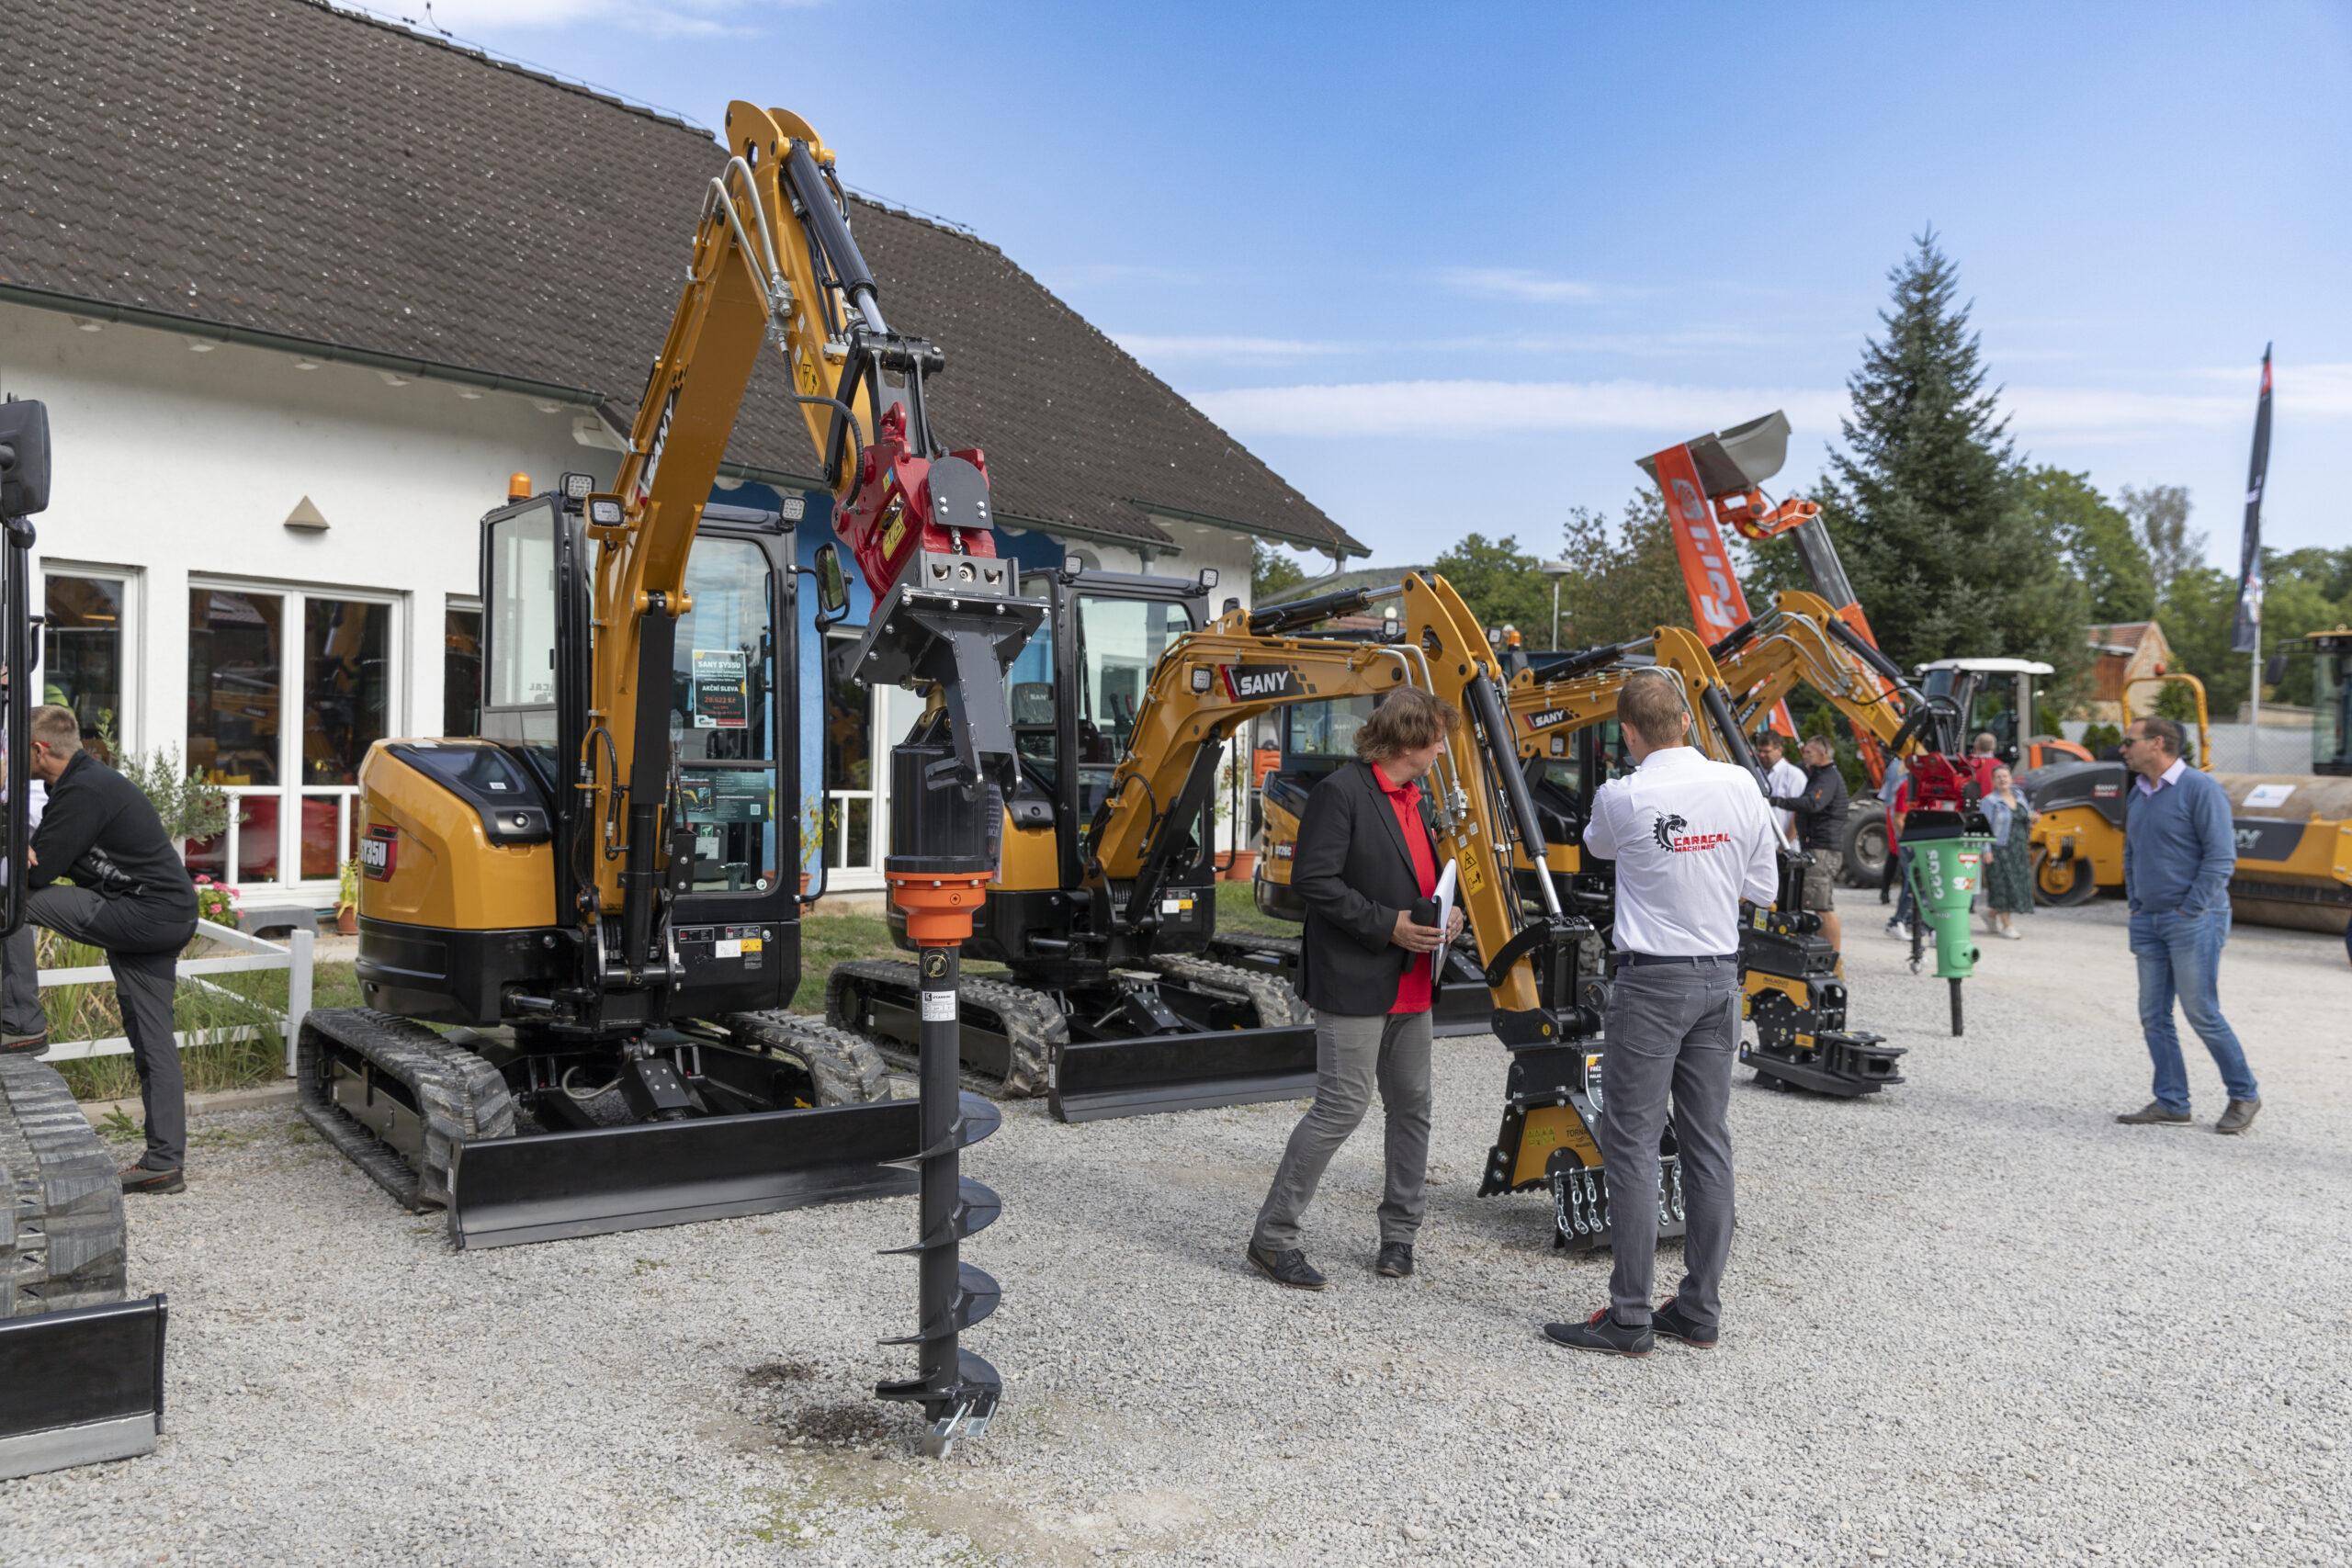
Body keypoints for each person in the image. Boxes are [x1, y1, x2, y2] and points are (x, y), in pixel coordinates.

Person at [1544, 671, 1779, 1356]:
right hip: (1719, 977)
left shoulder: (1623, 795)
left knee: (1633, 1145)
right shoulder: (1741, 785)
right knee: (1708, 1143)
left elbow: (1598, 846)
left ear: (1628, 732)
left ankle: (1629, 1316)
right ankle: (1699, 1309)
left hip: (1651, 983)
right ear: (1685, 721)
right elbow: (1762, 886)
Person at [1249, 688, 1463, 1289]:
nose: (1442, 750)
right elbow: (1314, 880)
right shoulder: (1341, 793)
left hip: (1413, 980)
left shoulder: (1418, 798)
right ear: (1408, 741)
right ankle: (1272, 1238)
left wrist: (1452, 915)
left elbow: (1425, 878)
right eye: (1437, 740)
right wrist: (1389, 925)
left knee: (1412, 1108)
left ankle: (1400, 1236)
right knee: (1341, 1106)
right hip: (1355, 978)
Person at [22, 705, 200, 1190]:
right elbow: (45, 854)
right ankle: (164, 1164)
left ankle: (19, 1021)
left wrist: (24, 855)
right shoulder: (79, 782)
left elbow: (37, 872)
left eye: (14, 751)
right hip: (164, 913)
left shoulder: (85, 790)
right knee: (152, 1040)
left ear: (38, 750)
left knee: (14, 901)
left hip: (146, 914)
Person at [2114, 716, 2260, 1134]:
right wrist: (2137, 903)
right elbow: (2132, 852)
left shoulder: (2201, 789)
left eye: (2129, 741)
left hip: (2193, 919)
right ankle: (2172, 1101)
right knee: (2153, 1015)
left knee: (2201, 1012)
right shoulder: (2139, 793)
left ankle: (2244, 1094)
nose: (2123, 749)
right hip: (2149, 919)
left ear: (2157, 743)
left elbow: (2221, 859)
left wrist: (2190, 908)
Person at [1, 666, 51, 1054]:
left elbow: (30, 804)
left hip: (11, 838)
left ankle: (22, 1021)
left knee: (7, 896)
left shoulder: (17, 727)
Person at [1767, 734, 1848, 955]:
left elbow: (1813, 803)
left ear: (1823, 753)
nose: (1804, 755)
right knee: (1813, 904)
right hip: (1816, 847)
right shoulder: (1818, 775)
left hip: (1823, 850)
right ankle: (1824, 954)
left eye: (1809, 752)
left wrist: (1777, 801)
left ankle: (1834, 960)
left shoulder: (1828, 778)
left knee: (1822, 907)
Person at [1980, 765, 2036, 940]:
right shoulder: (1989, 801)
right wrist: (1986, 850)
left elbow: (2025, 818)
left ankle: (1990, 914)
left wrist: (2032, 819)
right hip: (1999, 848)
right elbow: (1984, 827)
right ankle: (2007, 925)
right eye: (1998, 777)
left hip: (2018, 848)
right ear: (1993, 781)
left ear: (2011, 779)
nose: (2002, 779)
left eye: (2005, 776)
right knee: (2003, 886)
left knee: (2016, 886)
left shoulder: (2019, 796)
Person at [1756, 732, 1806, 850]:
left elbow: (1799, 814)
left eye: (1766, 751)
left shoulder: (1794, 775)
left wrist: (1784, 847)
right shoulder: (1756, 773)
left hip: (1785, 848)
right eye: (1759, 751)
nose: (1761, 755)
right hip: (1761, 847)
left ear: (1779, 750)